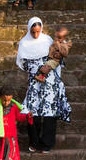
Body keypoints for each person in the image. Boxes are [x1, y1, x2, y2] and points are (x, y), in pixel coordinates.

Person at [21, 23, 72, 152]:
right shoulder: (24, 44)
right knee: (32, 112)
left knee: (49, 113)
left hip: (50, 84)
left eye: (38, 31)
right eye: (33, 32)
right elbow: (22, 63)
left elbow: (59, 58)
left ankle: (46, 144)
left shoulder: (48, 41)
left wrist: (47, 67)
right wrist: (36, 68)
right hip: (34, 83)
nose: (35, 34)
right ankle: (34, 143)